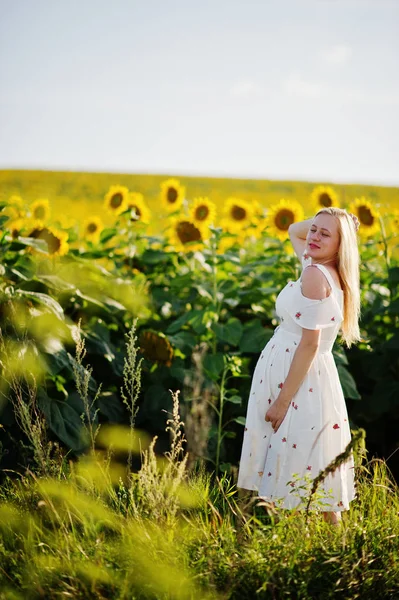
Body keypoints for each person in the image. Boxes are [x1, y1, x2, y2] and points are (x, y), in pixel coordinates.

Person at [237, 207, 361, 525]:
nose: (314, 236)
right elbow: (294, 228)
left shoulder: (314, 274)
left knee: (291, 462)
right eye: (315, 229)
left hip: (294, 379)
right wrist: (340, 220)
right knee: (312, 462)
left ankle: (283, 544)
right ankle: (338, 553)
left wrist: (281, 400)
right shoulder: (324, 268)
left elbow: (309, 344)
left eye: (325, 233)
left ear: (341, 244)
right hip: (311, 378)